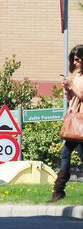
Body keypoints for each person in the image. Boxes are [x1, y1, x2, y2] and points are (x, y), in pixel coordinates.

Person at [48, 44, 83, 203]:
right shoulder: (78, 76)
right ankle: (58, 191)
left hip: (81, 121)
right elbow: (75, 98)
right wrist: (68, 90)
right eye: (73, 60)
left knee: (65, 152)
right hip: (76, 120)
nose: (75, 63)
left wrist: (72, 87)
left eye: (77, 60)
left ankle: (58, 190)